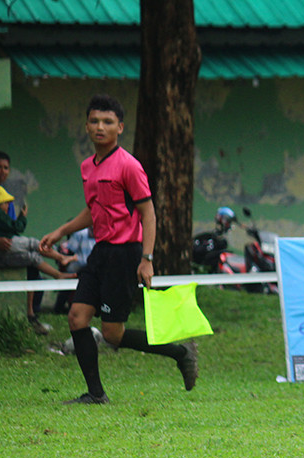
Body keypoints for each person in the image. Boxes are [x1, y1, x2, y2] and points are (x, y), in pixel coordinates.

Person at [39, 94, 198, 405]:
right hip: (101, 251)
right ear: (86, 126)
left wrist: (147, 259)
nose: (101, 127)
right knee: (76, 317)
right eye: (95, 121)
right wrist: (61, 231)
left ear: (120, 127)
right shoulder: (88, 166)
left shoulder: (129, 166)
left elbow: (148, 214)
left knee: (112, 333)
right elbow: (93, 209)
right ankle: (96, 394)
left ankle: (180, 352)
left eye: (108, 122)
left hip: (126, 254)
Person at [0, 151, 48, 333]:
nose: (3, 171)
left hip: (5, 246)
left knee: (34, 271)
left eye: (6, 167)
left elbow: (12, 228)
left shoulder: (6, 196)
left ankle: (30, 316)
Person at [0, 185, 78, 280]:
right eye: (6, 203)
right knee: (34, 244)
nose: (8, 206)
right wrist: (22, 216)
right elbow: (17, 227)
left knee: (33, 257)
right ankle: (61, 258)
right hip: (5, 248)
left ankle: (58, 273)